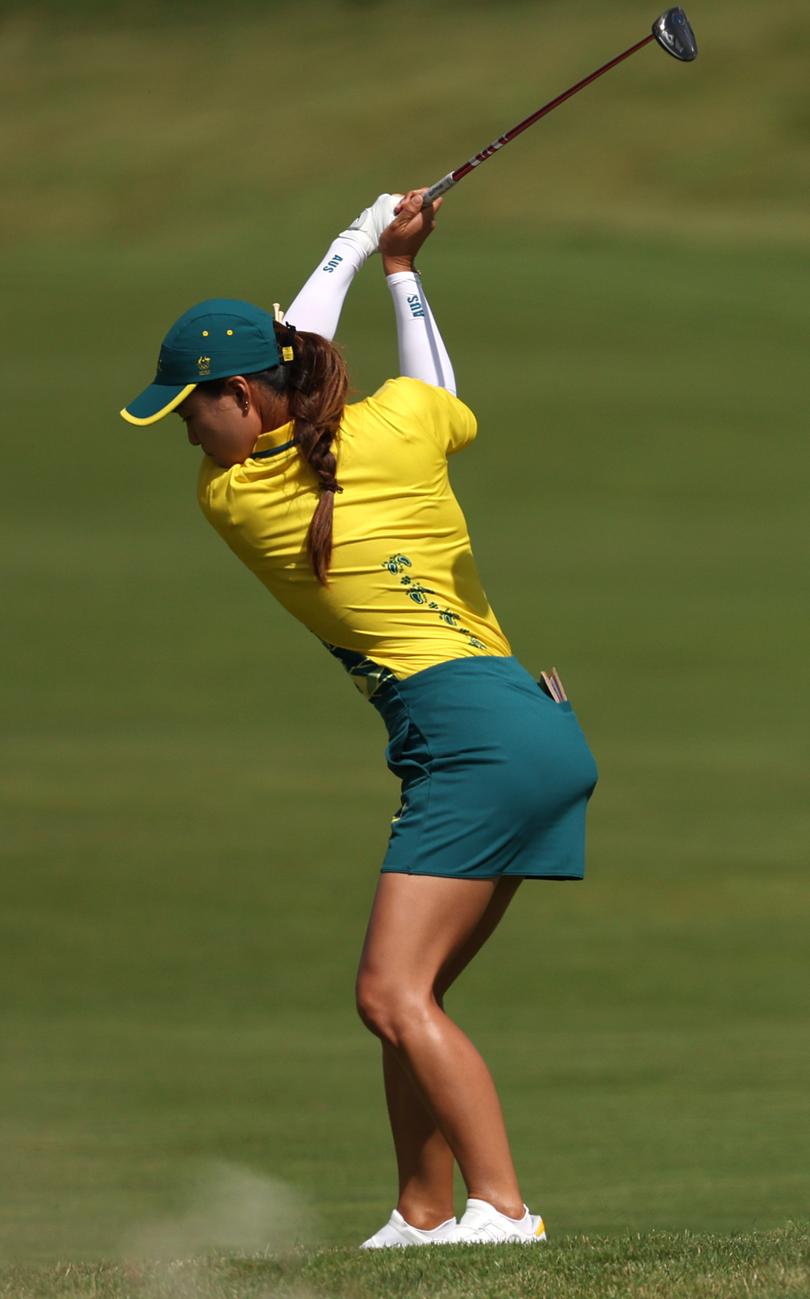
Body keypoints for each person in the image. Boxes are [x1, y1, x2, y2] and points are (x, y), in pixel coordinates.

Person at [120, 190, 598, 1247]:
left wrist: (357, 240)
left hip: (468, 740)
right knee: (410, 999)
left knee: (389, 995)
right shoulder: (399, 431)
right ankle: (423, 1213)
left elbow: (310, 338)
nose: (187, 429)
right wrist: (397, 265)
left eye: (193, 406)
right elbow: (431, 386)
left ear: (244, 397)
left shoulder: (236, 497)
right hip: (533, 726)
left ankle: (502, 1212)